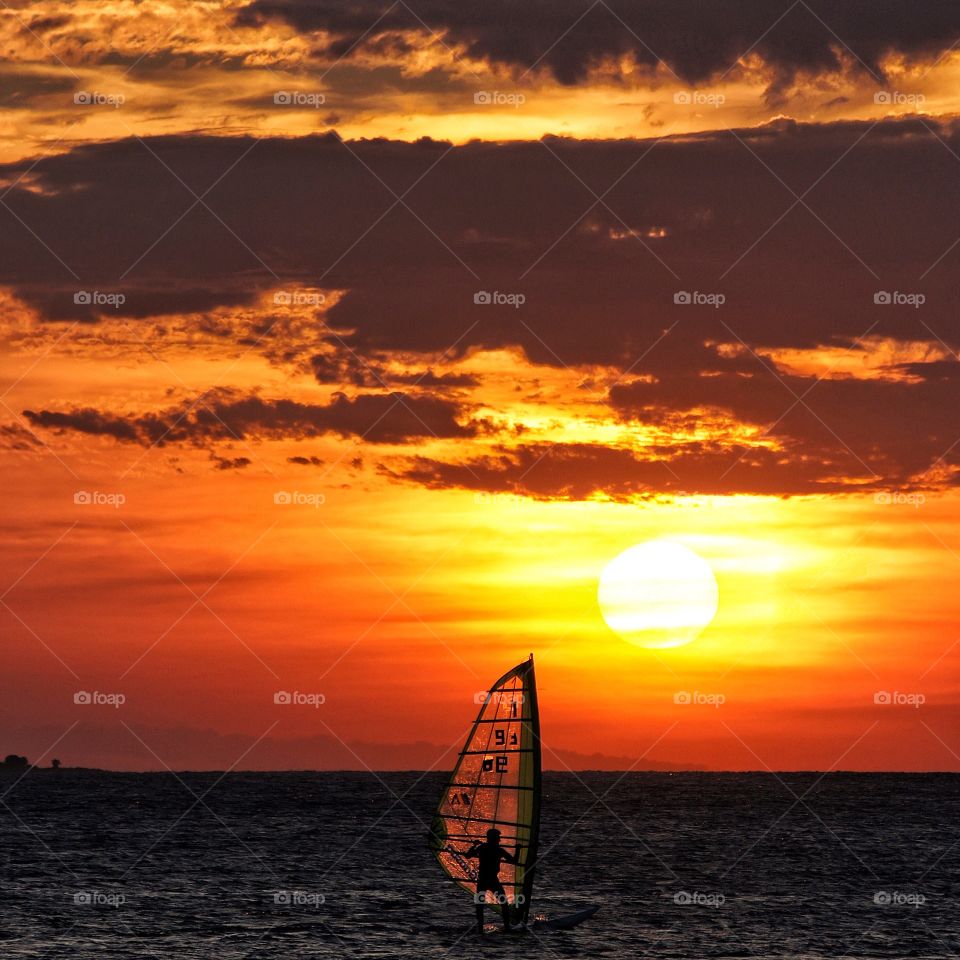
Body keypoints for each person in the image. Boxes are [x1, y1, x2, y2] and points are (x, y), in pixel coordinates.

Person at [465, 828, 520, 934]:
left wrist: (474, 846)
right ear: (493, 838)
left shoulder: (483, 847)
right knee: (503, 903)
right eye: (498, 838)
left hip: (484, 880)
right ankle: (507, 927)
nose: (499, 840)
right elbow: (514, 861)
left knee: (480, 905)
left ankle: (480, 929)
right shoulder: (498, 850)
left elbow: (468, 855)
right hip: (491, 880)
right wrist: (518, 849)